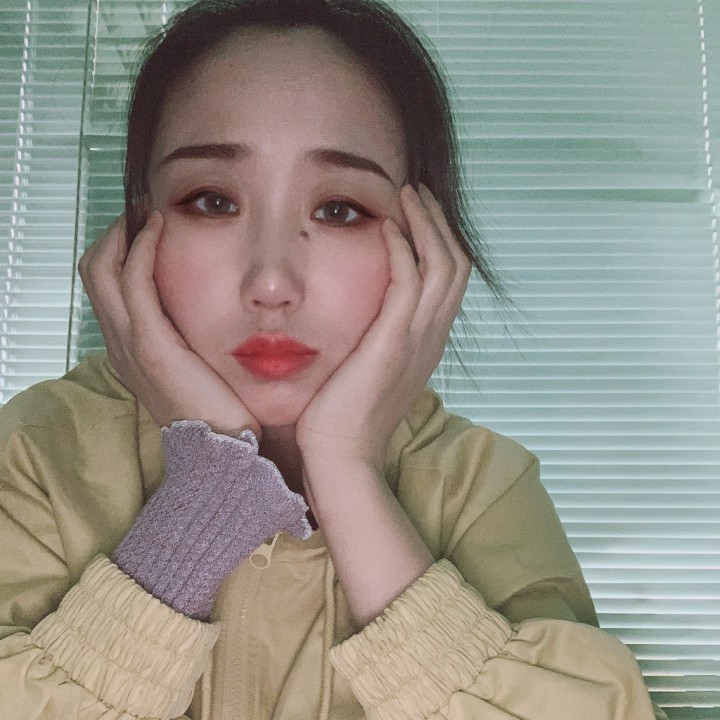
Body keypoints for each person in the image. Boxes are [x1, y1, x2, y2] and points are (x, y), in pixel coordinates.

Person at [0, 1, 667, 718]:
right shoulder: (42, 452)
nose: (271, 283)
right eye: (212, 201)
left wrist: (347, 470)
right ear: (134, 233)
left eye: (340, 210)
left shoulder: (479, 484)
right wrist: (209, 485)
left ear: (426, 249)